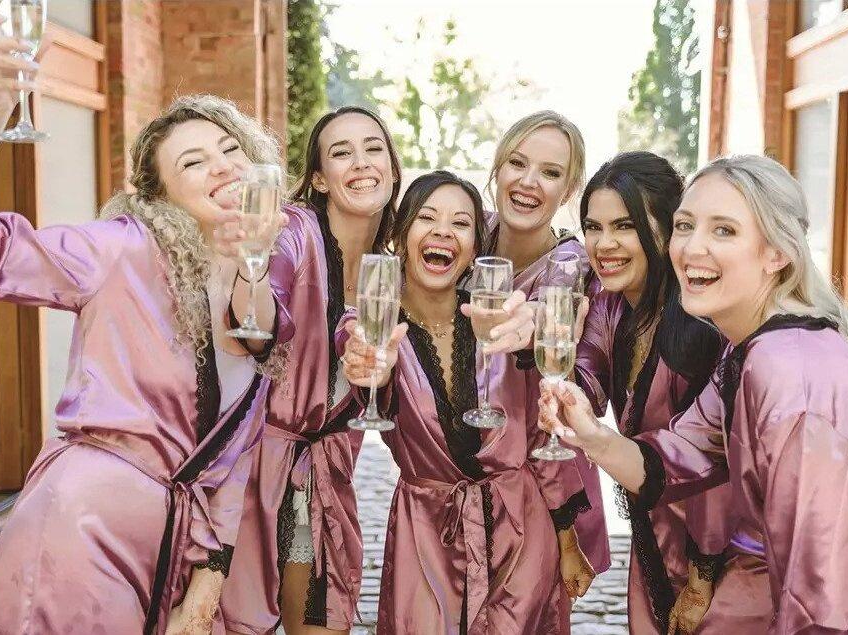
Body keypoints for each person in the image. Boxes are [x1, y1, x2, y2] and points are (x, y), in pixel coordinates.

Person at [0, 16, 283, 632]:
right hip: (78, 531)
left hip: (167, 550)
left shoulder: (260, 282)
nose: (221, 167)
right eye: (194, 162)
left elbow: (232, 458)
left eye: (231, 150)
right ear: (162, 195)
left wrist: (204, 590)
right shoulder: (121, 248)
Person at [540, 154, 848, 633]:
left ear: (777, 252)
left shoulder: (793, 372)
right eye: (687, 225)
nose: (693, 247)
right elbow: (678, 459)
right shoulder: (750, 351)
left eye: (724, 230)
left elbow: (814, 602)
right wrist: (590, 433)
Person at [339, 170, 593, 634]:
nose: (442, 231)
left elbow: (540, 433)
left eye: (460, 223)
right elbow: (354, 348)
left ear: (475, 247)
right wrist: (364, 364)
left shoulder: (499, 320)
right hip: (426, 533)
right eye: (427, 218)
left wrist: (568, 539)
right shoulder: (371, 323)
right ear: (401, 235)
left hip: (521, 532)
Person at [218, 106, 402, 634]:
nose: (361, 162)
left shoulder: (389, 271)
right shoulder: (294, 232)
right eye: (341, 152)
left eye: (373, 148)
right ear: (319, 179)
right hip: (251, 472)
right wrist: (254, 262)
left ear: (392, 168)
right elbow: (255, 328)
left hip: (322, 481)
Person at [573, 151, 761, 634]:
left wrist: (701, 581)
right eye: (593, 227)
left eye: (625, 226)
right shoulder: (610, 304)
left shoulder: (700, 326)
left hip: (716, 558)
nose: (604, 243)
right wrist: (540, 357)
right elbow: (586, 386)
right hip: (652, 535)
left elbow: (717, 465)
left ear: (667, 231)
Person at [482, 111, 610, 575]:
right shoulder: (466, 232)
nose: (529, 181)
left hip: (542, 485)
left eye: (551, 172)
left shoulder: (573, 269)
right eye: (518, 163)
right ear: (497, 169)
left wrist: (565, 530)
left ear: (569, 190)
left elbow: (591, 389)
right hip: (461, 479)